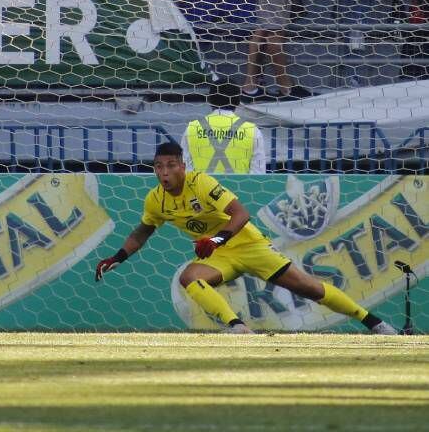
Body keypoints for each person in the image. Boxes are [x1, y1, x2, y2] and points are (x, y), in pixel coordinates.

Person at [95, 142, 398, 335]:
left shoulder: (201, 182)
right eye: (159, 166)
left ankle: (373, 322)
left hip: (248, 244)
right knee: (189, 278)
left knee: (308, 287)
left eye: (171, 165)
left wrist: (216, 240)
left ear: (182, 166)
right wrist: (117, 257)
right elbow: (142, 231)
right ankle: (238, 328)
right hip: (219, 255)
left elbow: (241, 213)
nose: (165, 172)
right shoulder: (154, 200)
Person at [181, 79, 267, 174]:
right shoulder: (252, 131)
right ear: (238, 101)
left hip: (202, 188)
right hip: (238, 188)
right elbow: (258, 175)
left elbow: (185, 172)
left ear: (209, 100)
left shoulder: (192, 129)